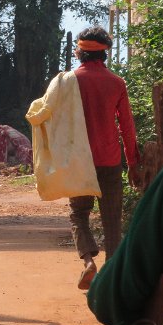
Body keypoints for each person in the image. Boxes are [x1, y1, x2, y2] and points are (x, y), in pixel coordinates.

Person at [69, 26, 141, 290]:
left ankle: (89, 261)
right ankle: (113, 277)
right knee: (112, 221)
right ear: (105, 54)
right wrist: (132, 163)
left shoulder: (69, 81)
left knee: (79, 214)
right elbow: (127, 127)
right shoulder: (116, 83)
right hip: (110, 160)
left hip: (80, 161)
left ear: (80, 53)